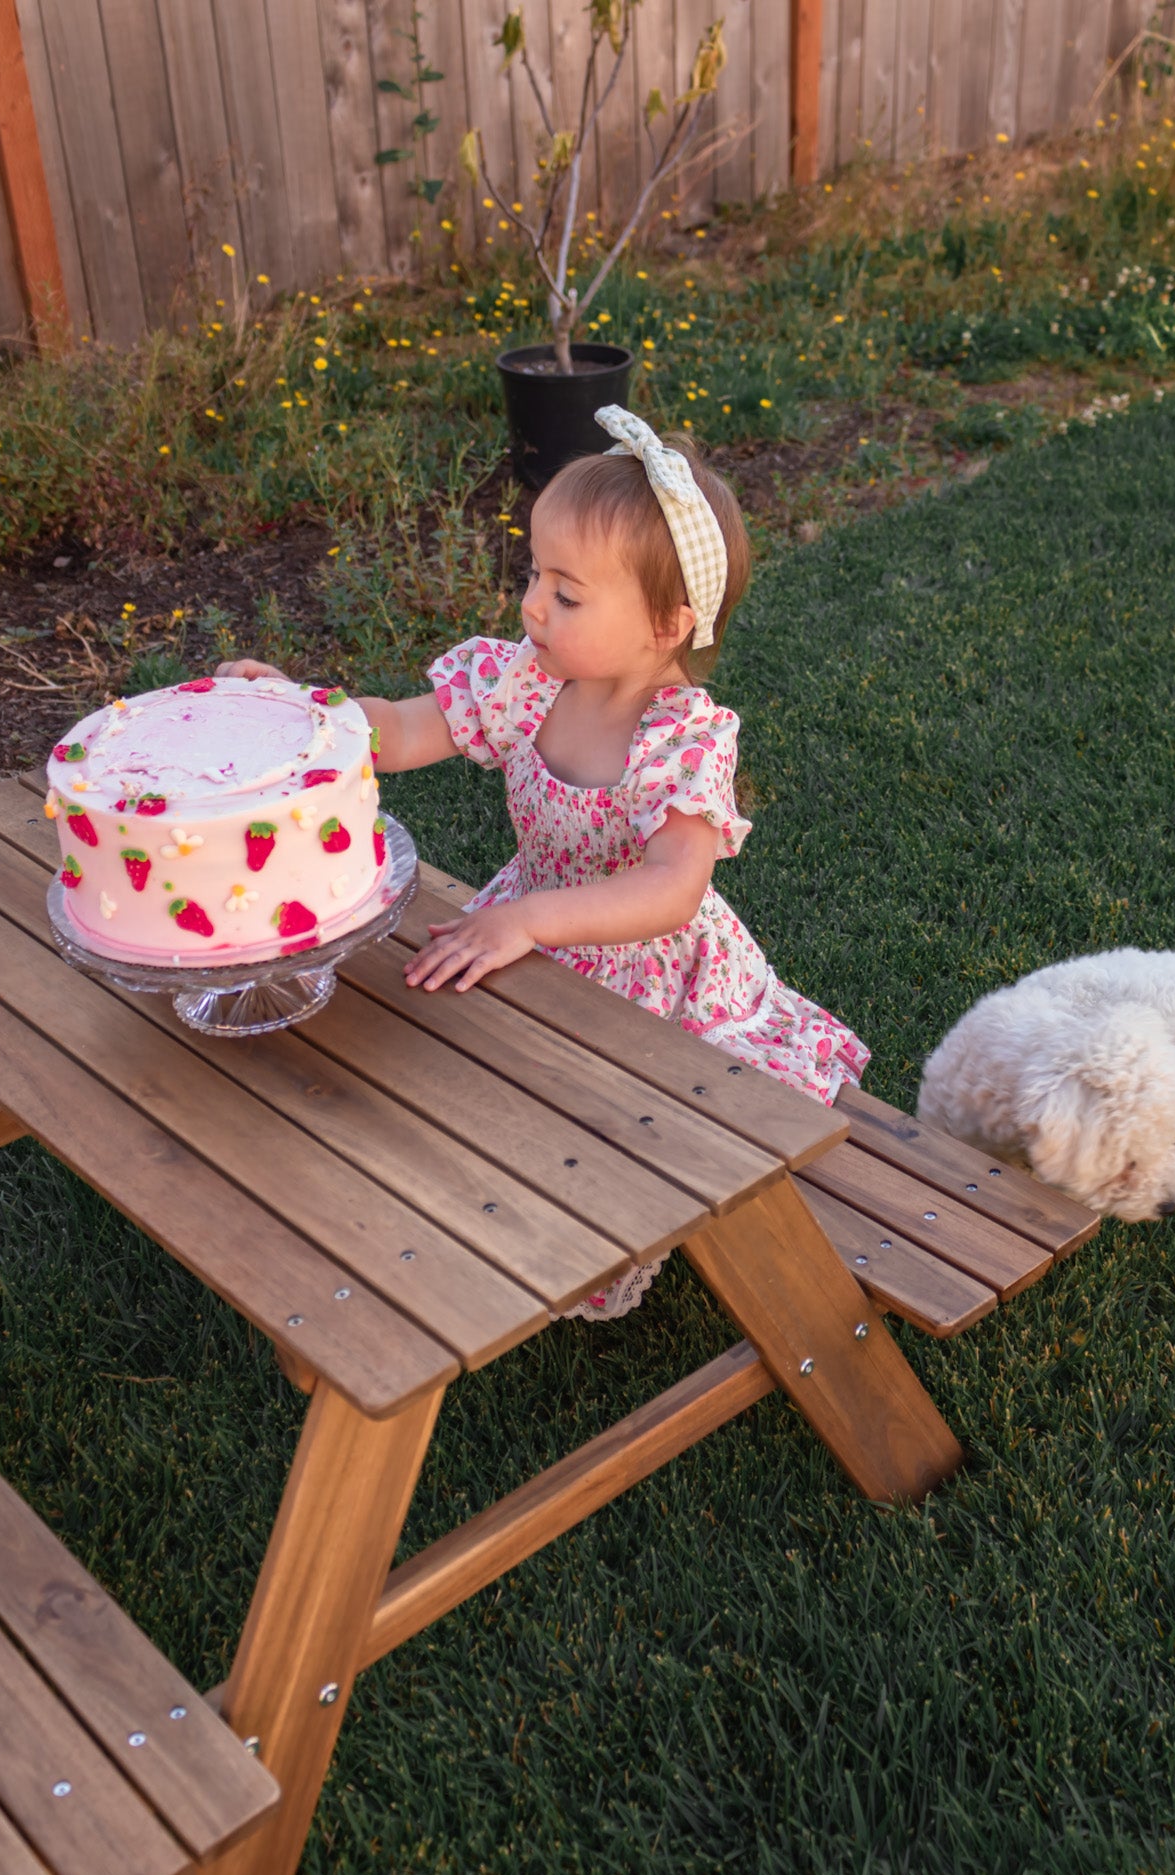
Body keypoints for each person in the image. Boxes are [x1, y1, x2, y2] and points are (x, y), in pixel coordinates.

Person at [220, 405, 868, 1317]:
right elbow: (406, 728)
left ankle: (568, 1239)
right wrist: (312, 720)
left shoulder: (680, 736)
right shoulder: (527, 678)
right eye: (535, 574)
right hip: (525, 922)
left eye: (567, 594)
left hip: (641, 975)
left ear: (668, 625)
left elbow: (671, 888)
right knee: (445, 1079)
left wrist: (526, 919)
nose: (531, 605)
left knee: (597, 1139)